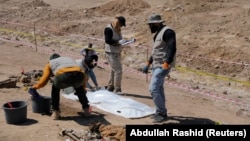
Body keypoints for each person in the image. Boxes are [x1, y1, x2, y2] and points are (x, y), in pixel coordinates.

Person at [28, 53, 91, 120]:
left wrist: (35, 87)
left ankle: (55, 113)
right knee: (79, 88)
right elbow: (83, 75)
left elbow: (44, 80)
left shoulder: (50, 63)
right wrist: (83, 88)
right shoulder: (68, 59)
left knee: (55, 88)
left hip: (63, 77)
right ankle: (87, 110)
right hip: (80, 76)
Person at [142, 13, 176, 123]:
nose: (150, 27)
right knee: (159, 87)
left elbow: (172, 47)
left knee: (153, 88)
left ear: (156, 23)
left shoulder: (168, 32)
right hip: (157, 64)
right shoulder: (159, 33)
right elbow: (157, 50)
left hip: (163, 65)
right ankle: (160, 111)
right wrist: (148, 62)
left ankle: (161, 112)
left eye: (151, 24)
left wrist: (167, 62)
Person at [104, 16, 126, 94]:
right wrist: (118, 42)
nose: (121, 26)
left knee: (113, 70)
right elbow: (108, 40)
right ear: (118, 23)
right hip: (111, 52)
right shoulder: (109, 29)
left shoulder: (117, 29)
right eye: (121, 24)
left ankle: (111, 86)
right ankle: (117, 89)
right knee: (118, 70)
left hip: (116, 51)